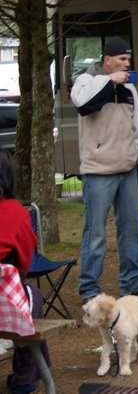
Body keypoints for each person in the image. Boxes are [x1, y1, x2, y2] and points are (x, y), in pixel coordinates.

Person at [70, 37, 138, 302]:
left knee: (131, 230)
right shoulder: (86, 82)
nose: (126, 65)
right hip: (98, 170)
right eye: (122, 59)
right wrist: (110, 81)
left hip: (126, 169)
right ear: (107, 60)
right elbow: (83, 105)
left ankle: (132, 283)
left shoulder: (129, 90)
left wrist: (136, 153)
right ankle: (89, 289)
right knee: (95, 232)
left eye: (128, 60)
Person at [0, 150, 51, 394]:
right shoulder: (15, 212)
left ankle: (35, 370)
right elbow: (24, 262)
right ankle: (25, 375)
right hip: (4, 307)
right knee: (33, 299)